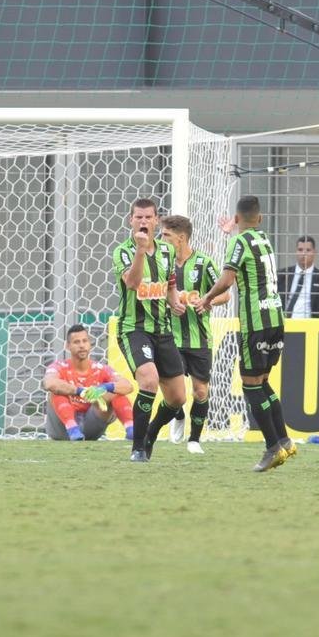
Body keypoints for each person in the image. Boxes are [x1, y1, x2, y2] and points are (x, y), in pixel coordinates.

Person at [198, 195, 294, 472]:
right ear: (259, 218)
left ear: (237, 218)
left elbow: (227, 280)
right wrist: (232, 234)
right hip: (275, 317)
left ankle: (272, 448)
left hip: (256, 322)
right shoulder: (263, 239)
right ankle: (285, 441)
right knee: (263, 382)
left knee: (251, 385)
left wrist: (205, 299)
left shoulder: (238, 242)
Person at [111, 197, 185, 462]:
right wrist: (140, 251)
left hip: (162, 330)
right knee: (149, 380)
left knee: (177, 399)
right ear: (131, 220)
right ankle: (138, 449)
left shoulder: (166, 251)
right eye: (138, 217)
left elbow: (170, 283)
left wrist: (174, 302)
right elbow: (132, 283)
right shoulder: (122, 251)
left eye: (148, 217)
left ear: (156, 220)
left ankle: (151, 434)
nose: (143, 222)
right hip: (134, 329)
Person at [160, 214, 228, 454]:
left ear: (181, 238)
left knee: (200, 391)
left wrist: (208, 301)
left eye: (166, 235)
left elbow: (225, 295)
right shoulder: (159, 262)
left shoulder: (204, 263)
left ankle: (194, 440)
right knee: (173, 390)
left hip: (199, 337)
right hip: (169, 337)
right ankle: (178, 413)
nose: (161, 238)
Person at [42, 324, 135, 441]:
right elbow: (49, 383)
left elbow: (128, 386)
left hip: (90, 426)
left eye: (85, 341)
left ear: (89, 344)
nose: (82, 345)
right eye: (76, 342)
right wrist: (79, 391)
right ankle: (72, 428)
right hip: (61, 430)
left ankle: (131, 430)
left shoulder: (101, 368)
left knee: (116, 391)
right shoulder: (59, 366)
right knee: (56, 390)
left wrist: (104, 387)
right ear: (67, 346)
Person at [277, 235, 319, 319]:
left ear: (315, 253)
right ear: (296, 252)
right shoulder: (282, 275)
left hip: (311, 328)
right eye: (300, 250)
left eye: (308, 250)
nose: (303, 254)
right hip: (284, 326)